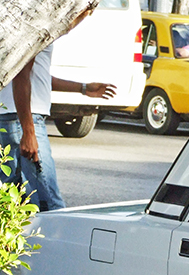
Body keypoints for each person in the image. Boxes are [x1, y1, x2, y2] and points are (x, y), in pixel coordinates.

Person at [0, 44, 115, 211]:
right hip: (24, 118)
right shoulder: (36, 25)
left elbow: (37, 77)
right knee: (49, 202)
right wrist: (29, 131)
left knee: (11, 201)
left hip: (9, 116)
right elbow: (21, 77)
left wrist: (83, 88)